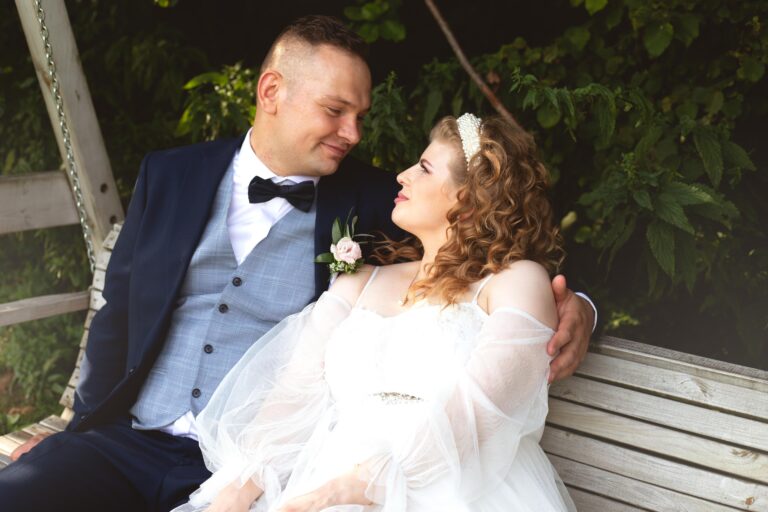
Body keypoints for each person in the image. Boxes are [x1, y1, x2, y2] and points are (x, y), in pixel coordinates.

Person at [0, 15, 591, 512]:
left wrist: (581, 308)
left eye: (360, 115)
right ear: (271, 92)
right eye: (336, 110)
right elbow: (118, 313)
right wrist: (76, 431)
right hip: (130, 441)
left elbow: (496, 241)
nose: (353, 133)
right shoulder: (169, 174)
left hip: (249, 463)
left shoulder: (379, 200)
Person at [173, 113, 577, 512]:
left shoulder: (515, 282)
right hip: (326, 475)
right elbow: (293, 394)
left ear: (469, 199)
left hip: (453, 484)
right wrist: (240, 490)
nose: (402, 176)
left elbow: (480, 413)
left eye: (424, 168)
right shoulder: (360, 280)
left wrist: (357, 487)